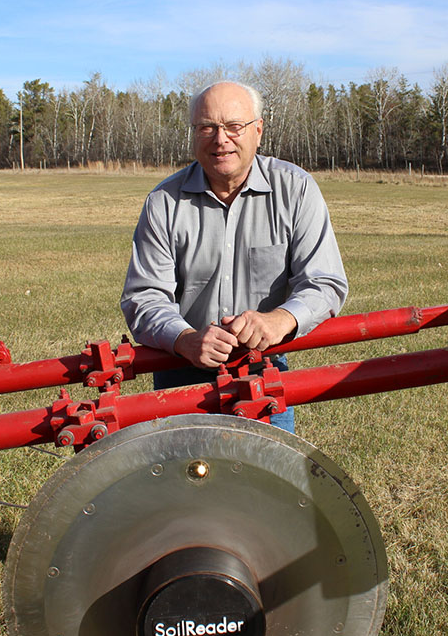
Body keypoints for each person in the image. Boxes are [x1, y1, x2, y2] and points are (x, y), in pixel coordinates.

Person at [120, 81, 347, 432]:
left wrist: (281, 319)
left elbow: (325, 282)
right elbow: (144, 297)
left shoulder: (296, 189)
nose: (220, 139)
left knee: (266, 482)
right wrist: (185, 339)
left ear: (258, 130)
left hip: (262, 372)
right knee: (184, 482)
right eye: (207, 127)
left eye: (233, 127)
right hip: (181, 378)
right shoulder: (164, 202)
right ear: (194, 134)